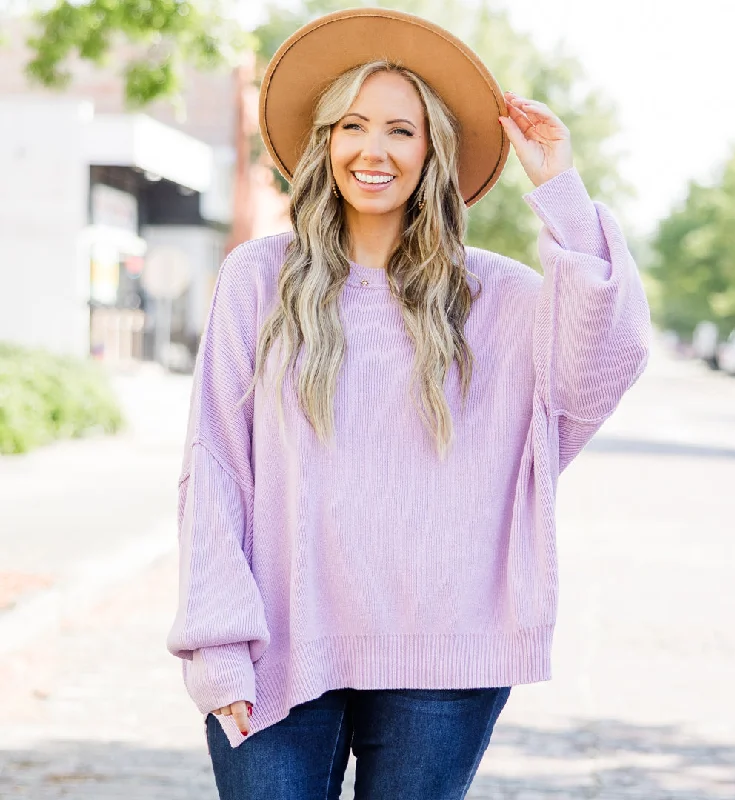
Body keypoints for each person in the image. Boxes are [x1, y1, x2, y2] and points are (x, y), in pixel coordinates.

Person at [166, 7, 651, 799]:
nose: (374, 149)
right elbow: (213, 463)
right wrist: (216, 645)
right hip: (280, 645)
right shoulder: (258, 279)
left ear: (433, 153)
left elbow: (602, 366)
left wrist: (560, 188)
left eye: (402, 129)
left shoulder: (500, 296)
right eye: (353, 124)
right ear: (327, 142)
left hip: (445, 654)